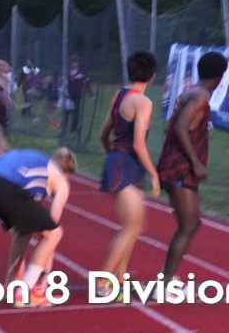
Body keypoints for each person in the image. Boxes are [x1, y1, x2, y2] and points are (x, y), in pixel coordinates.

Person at [0, 148, 77, 307]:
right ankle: (25, 293)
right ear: (67, 174)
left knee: (24, 231)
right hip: (3, 185)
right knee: (55, 233)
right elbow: (50, 230)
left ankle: (10, 286)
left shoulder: (37, 164)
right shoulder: (62, 182)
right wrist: (45, 275)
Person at [156, 51, 228, 280]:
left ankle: (168, 278)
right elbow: (180, 127)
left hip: (178, 166)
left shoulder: (192, 92)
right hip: (180, 168)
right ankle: (165, 282)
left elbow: (174, 125)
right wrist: (196, 164)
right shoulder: (200, 97)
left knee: (192, 223)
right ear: (220, 76)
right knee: (188, 225)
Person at [97, 51, 161, 297]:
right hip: (126, 163)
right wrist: (154, 175)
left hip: (119, 161)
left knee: (132, 226)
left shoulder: (119, 96)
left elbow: (104, 135)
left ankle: (119, 279)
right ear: (153, 75)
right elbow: (138, 144)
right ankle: (102, 283)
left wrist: (112, 157)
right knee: (132, 227)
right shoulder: (143, 102)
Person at [60, 55, 93, 139]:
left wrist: (91, 95)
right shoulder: (68, 72)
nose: (74, 63)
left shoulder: (82, 73)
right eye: (73, 62)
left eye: (76, 62)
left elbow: (87, 83)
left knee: (75, 114)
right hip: (68, 96)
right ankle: (63, 131)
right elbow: (64, 83)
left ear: (78, 63)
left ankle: (74, 131)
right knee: (66, 114)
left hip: (77, 96)